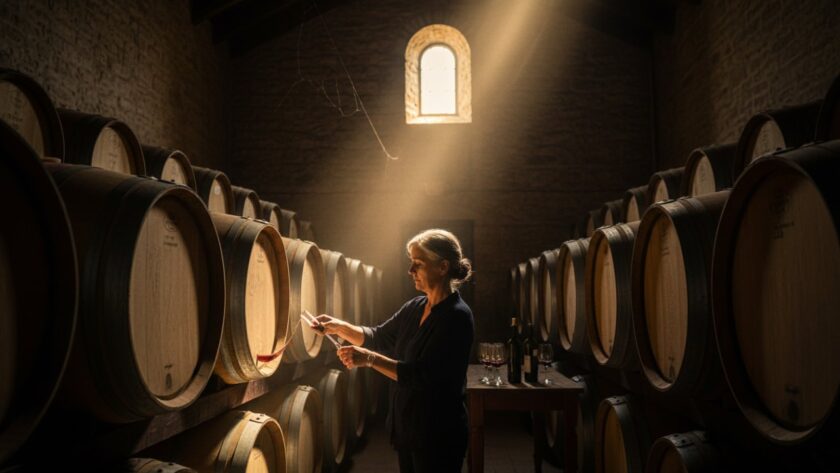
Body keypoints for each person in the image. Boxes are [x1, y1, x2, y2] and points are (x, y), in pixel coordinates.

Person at [311, 228, 475, 473]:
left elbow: (422, 375)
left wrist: (368, 359)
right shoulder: (416, 307)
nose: (410, 271)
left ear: (442, 267)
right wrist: (339, 327)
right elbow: (379, 335)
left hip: (437, 434)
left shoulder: (457, 317)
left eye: (418, 264)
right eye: (411, 263)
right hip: (408, 429)